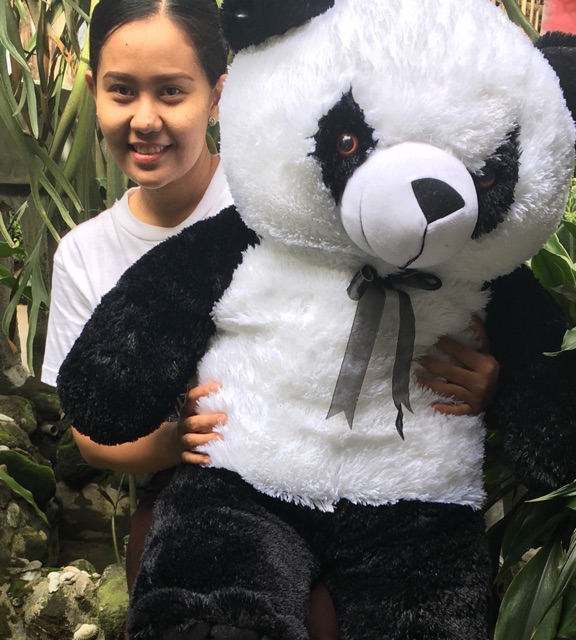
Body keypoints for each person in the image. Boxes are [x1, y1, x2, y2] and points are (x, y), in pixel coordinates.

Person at [41, 0, 499, 637]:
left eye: (171, 91)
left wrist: (486, 382)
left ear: (218, 95)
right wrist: (173, 444)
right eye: (122, 91)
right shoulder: (84, 253)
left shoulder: (291, 204)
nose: (145, 119)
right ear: (93, 90)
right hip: (207, 495)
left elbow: (416, 300)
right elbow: (90, 433)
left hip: (370, 485)